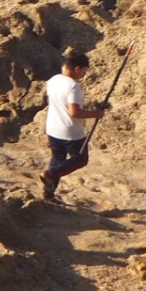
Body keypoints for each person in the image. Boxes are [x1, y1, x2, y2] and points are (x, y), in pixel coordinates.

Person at [41, 49, 104, 201]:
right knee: (81, 159)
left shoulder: (53, 80)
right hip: (70, 131)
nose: (83, 75)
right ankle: (49, 175)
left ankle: (48, 193)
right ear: (77, 69)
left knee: (58, 159)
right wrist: (96, 114)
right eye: (84, 71)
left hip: (52, 128)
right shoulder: (73, 86)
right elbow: (74, 112)